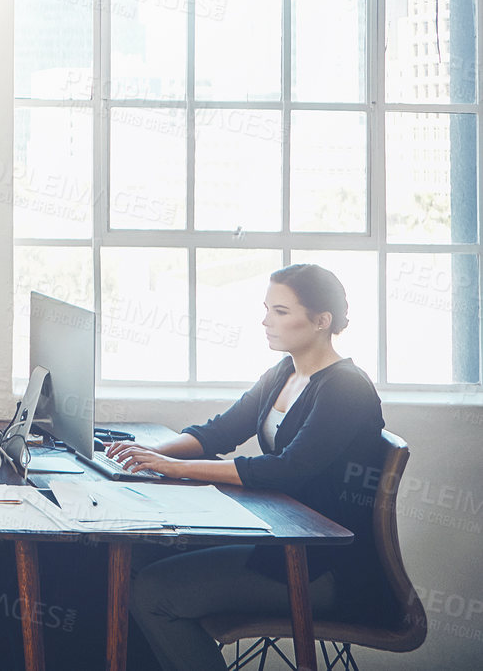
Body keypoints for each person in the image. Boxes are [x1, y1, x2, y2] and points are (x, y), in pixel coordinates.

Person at [107, 264, 386, 671]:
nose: (265, 321)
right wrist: (147, 452)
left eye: (280, 311)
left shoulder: (346, 387)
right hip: (279, 541)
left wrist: (175, 467)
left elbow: (285, 470)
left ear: (321, 321)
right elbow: (220, 431)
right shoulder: (285, 372)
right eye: (266, 309)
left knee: (153, 593)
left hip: (320, 568)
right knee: (138, 557)